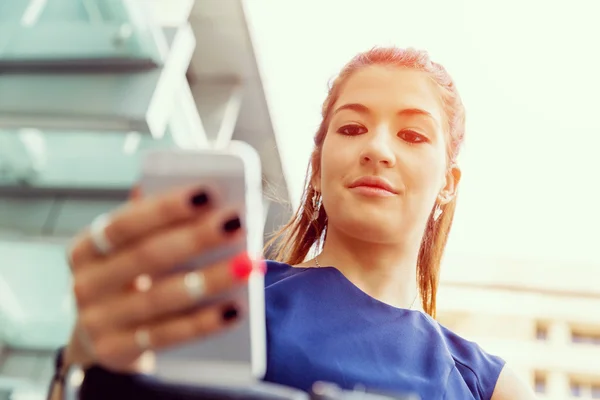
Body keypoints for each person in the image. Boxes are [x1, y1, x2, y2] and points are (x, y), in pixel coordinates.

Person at [47, 47, 537, 400]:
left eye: (411, 134)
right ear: (319, 165)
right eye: (351, 128)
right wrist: (83, 364)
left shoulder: (492, 388)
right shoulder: (214, 299)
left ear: (448, 182)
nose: (377, 149)